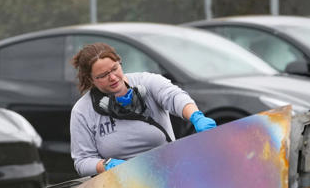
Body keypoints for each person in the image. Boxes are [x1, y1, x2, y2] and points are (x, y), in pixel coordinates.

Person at [70, 42, 217, 177]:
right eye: (103, 76)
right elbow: (82, 161)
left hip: (168, 172)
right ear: (90, 79)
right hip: (122, 184)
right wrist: (106, 165)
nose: (113, 77)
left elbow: (174, 96)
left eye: (115, 68)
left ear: (120, 62)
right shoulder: (82, 111)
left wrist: (196, 116)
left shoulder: (148, 81)